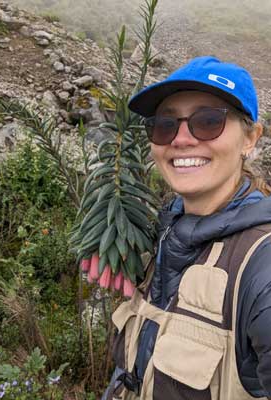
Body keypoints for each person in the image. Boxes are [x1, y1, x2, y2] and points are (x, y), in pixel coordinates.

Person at [102, 56, 271, 400]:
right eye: (164, 125)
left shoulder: (262, 267)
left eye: (208, 121)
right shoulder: (164, 235)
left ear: (250, 138)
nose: (180, 140)